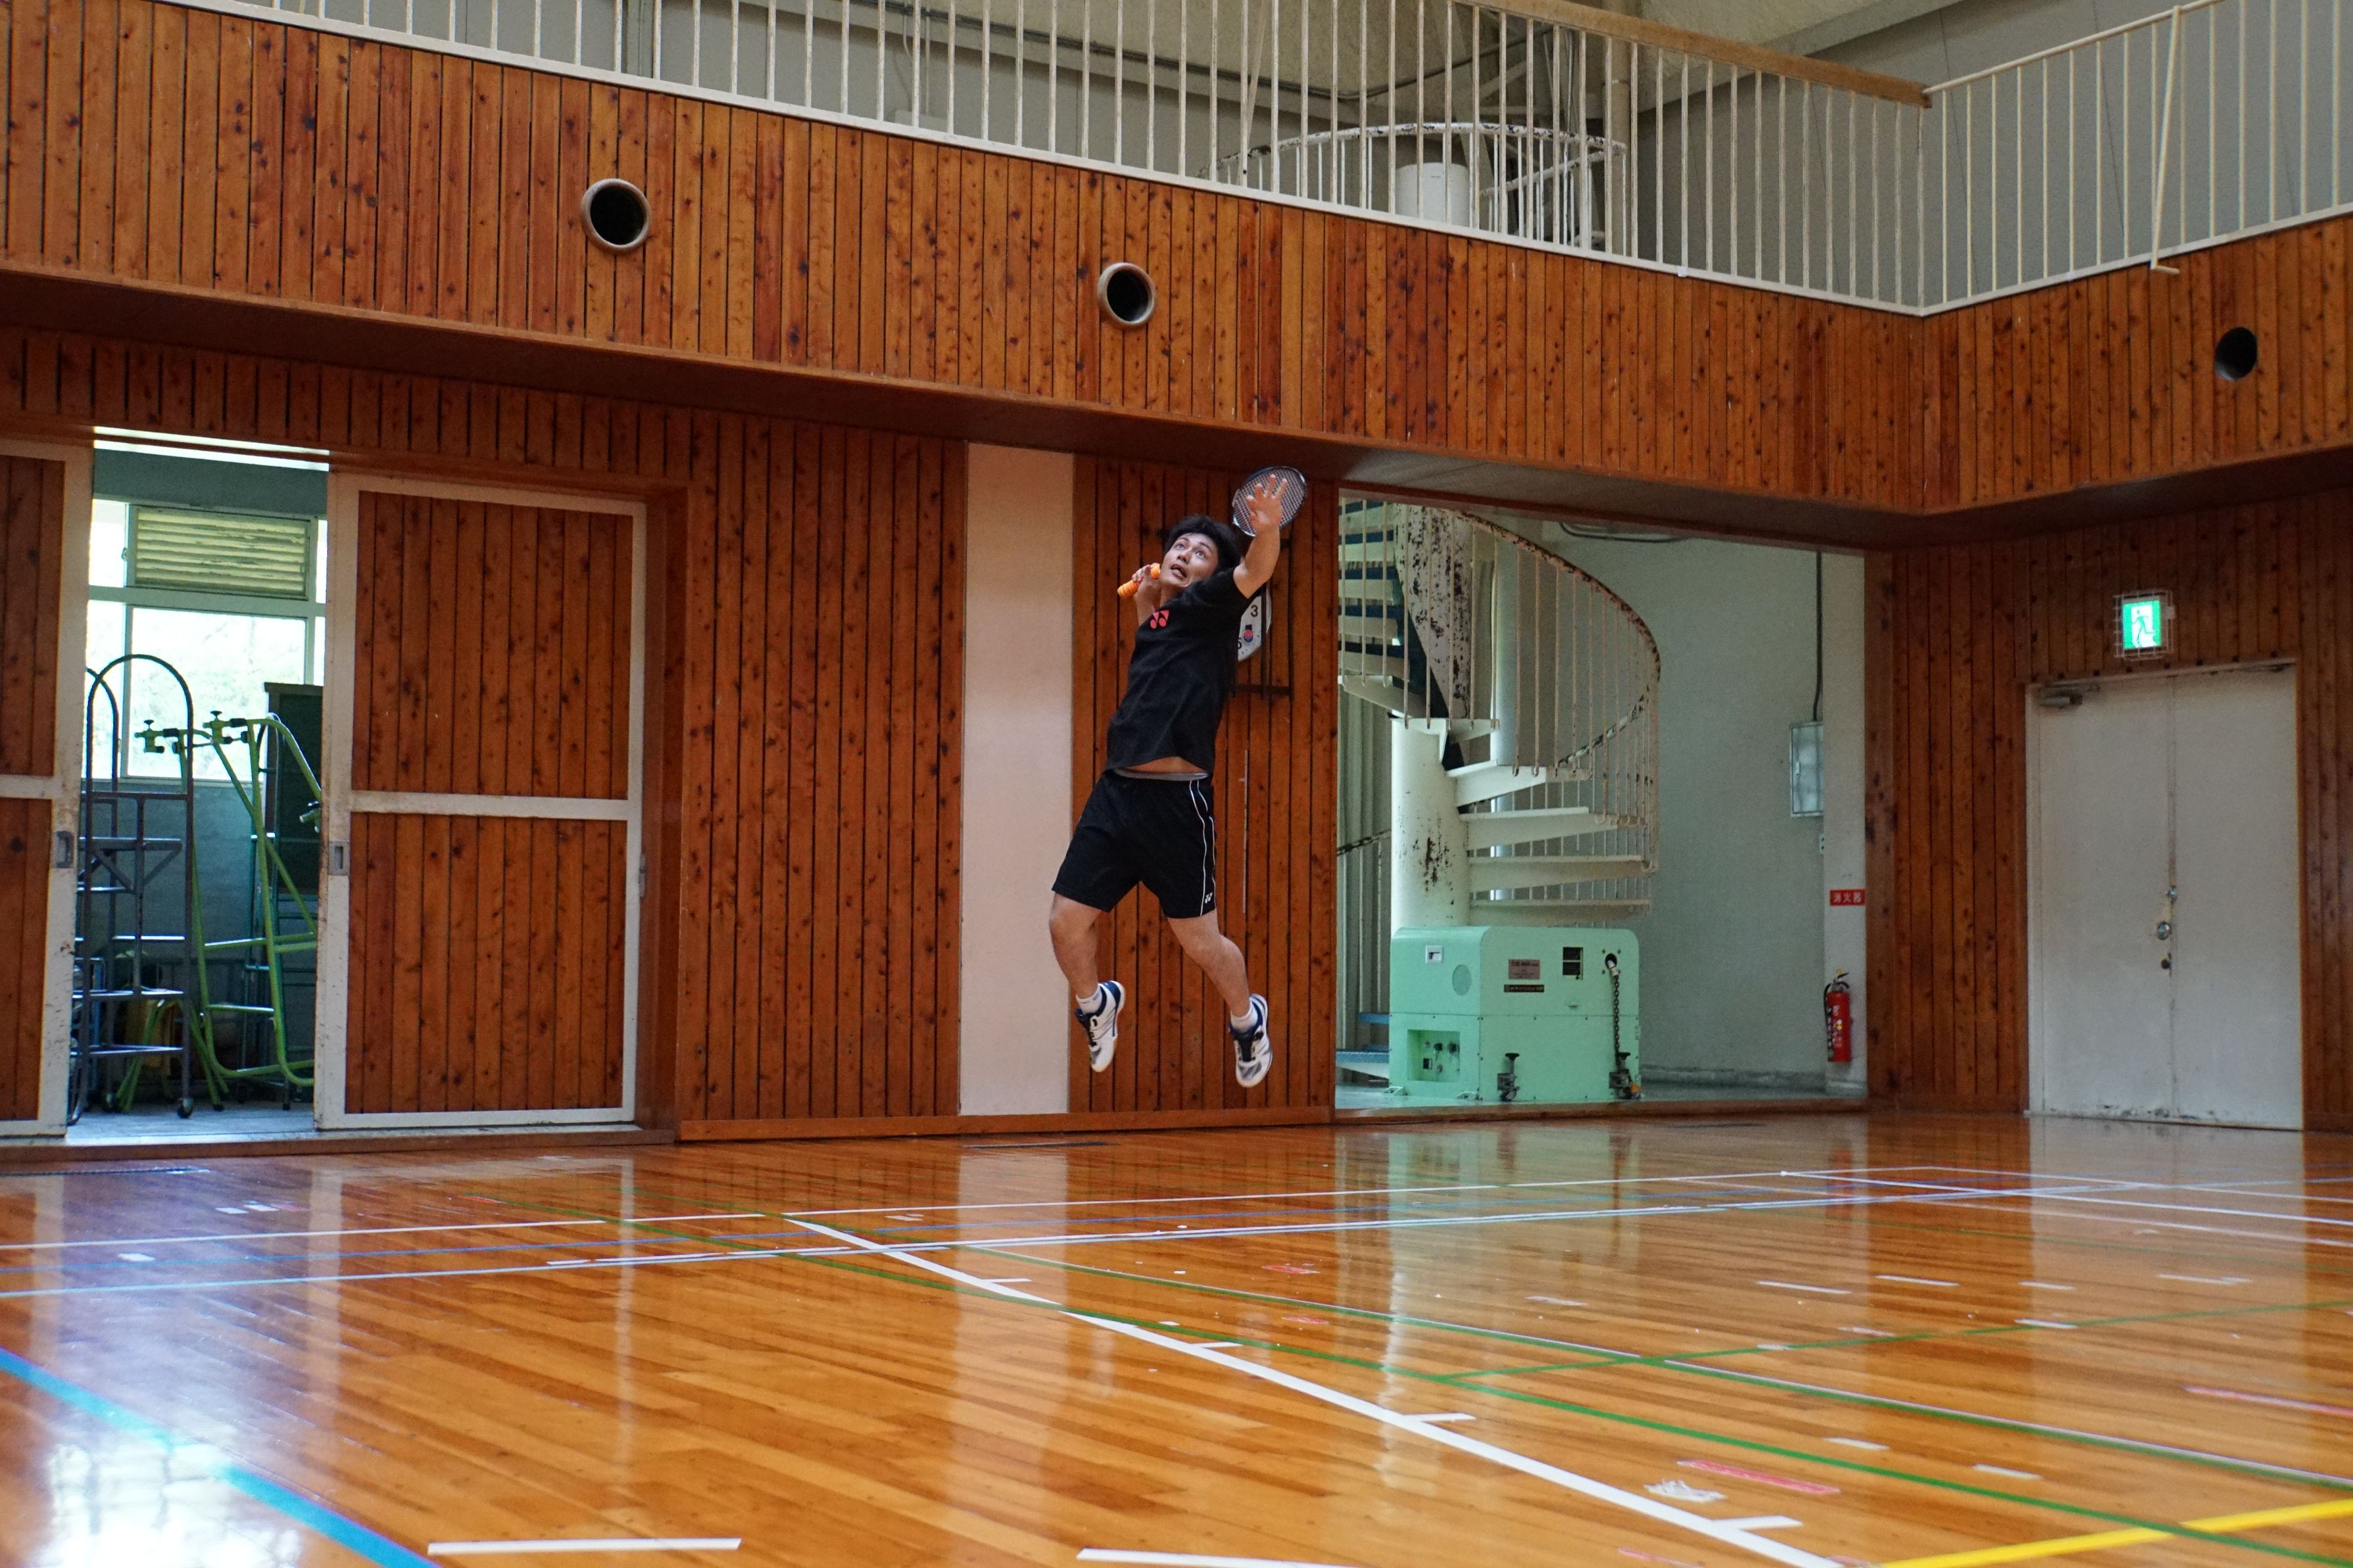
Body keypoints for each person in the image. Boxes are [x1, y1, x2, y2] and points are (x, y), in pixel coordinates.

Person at [1047, 485, 1286, 1088]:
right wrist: (1149, 597)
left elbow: (1256, 570)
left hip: (1178, 803)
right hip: (1117, 793)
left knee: (1201, 942)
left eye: (1200, 552)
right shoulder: (1160, 617)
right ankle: (1096, 1004)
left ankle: (1247, 1019)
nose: (1184, 554)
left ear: (1215, 574)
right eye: (1179, 546)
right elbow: (1154, 638)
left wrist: (1267, 528)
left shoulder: (1213, 608)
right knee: (1065, 922)